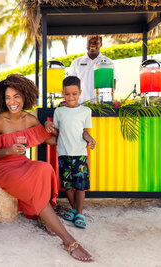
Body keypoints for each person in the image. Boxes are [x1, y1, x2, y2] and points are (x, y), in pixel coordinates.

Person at [0, 74, 93, 262]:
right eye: (8, 97)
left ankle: (45, 216)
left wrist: (51, 127)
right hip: (4, 169)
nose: (12, 101)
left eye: (16, 96)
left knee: (44, 168)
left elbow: (51, 140)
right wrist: (8, 150)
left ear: (25, 96)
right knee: (35, 186)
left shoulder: (30, 120)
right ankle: (68, 240)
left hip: (23, 164)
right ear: (3, 100)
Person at [45, 76, 96, 230]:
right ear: (62, 93)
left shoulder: (86, 111)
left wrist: (90, 139)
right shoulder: (59, 111)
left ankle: (79, 213)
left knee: (80, 186)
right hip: (63, 154)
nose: (71, 97)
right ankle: (74, 210)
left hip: (80, 154)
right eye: (67, 94)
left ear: (80, 92)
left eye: (74, 94)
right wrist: (48, 125)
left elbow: (84, 132)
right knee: (67, 185)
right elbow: (58, 132)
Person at [69, 35, 117, 103]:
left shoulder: (108, 62)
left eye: (96, 42)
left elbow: (113, 80)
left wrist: (108, 99)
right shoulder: (76, 62)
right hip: (81, 104)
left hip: (101, 105)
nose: (92, 44)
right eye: (89, 42)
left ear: (101, 44)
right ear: (86, 44)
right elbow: (71, 84)